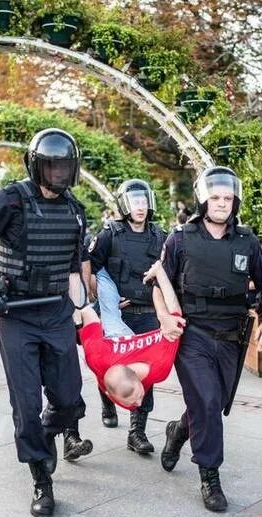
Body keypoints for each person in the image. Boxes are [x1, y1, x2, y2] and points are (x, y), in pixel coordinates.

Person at [0, 128, 93, 517]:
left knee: (69, 401)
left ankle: (48, 436)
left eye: (65, 165)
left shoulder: (74, 211)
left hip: (56, 313)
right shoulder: (9, 201)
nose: (59, 173)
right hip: (15, 313)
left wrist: (83, 311)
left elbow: (72, 269)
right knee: (27, 404)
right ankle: (41, 478)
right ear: (36, 166)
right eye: (51, 165)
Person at [155, 166, 262, 512]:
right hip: (192, 335)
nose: (222, 203)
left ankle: (179, 432)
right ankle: (210, 476)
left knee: (213, 404)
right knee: (208, 401)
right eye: (215, 197)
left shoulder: (248, 241)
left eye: (228, 198)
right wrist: (165, 317)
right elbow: (158, 283)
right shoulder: (179, 237)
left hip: (231, 338)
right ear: (202, 199)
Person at [86, 178, 166, 454]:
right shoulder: (110, 233)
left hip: (147, 314)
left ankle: (137, 432)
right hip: (116, 315)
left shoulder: (160, 236)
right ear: (124, 205)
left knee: (146, 374)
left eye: (143, 202)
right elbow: (91, 266)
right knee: (110, 368)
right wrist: (98, 295)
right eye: (134, 203)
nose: (140, 208)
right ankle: (108, 400)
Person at [79, 260, 181, 408]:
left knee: (107, 298)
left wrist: (159, 271)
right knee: (109, 304)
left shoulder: (96, 357)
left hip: (115, 336)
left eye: (137, 398)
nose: (138, 403)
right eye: (137, 399)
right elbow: (176, 316)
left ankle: (100, 264)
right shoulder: (160, 366)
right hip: (120, 350)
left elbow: (86, 311)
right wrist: (160, 274)